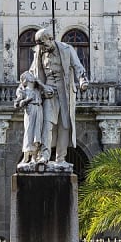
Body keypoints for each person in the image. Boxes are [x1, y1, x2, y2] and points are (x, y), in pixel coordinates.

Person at [28, 28, 89, 166]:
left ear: (50, 39)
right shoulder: (39, 52)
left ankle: (60, 158)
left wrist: (82, 80)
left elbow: (77, 66)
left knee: (64, 125)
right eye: (40, 45)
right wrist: (42, 87)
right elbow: (33, 73)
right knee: (47, 123)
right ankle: (44, 155)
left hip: (66, 90)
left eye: (43, 44)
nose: (42, 47)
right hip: (49, 91)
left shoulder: (67, 49)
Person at [13, 71, 44, 167]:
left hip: (39, 110)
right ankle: (26, 157)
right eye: (30, 75)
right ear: (26, 79)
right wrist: (27, 100)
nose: (32, 76)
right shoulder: (22, 90)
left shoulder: (37, 90)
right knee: (28, 133)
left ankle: (34, 157)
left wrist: (40, 83)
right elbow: (17, 104)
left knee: (37, 133)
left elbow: (48, 91)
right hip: (30, 111)